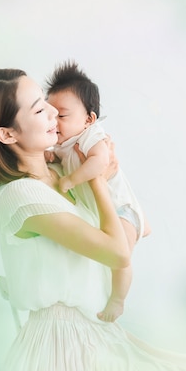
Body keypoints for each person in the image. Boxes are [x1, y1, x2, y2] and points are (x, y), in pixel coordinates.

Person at [0, 68, 186, 371]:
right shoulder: (21, 195)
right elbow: (117, 253)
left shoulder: (62, 173)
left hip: (96, 335)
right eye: (39, 108)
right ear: (8, 134)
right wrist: (97, 177)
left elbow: (134, 230)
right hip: (60, 346)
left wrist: (94, 171)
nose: (53, 112)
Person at [44, 60, 150, 322]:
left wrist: (70, 180)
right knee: (109, 254)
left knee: (121, 256)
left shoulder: (91, 136)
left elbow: (100, 162)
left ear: (88, 119)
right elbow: (58, 159)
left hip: (121, 209)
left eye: (63, 115)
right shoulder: (64, 144)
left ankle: (118, 299)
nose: (55, 121)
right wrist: (50, 158)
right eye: (50, 114)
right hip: (103, 213)